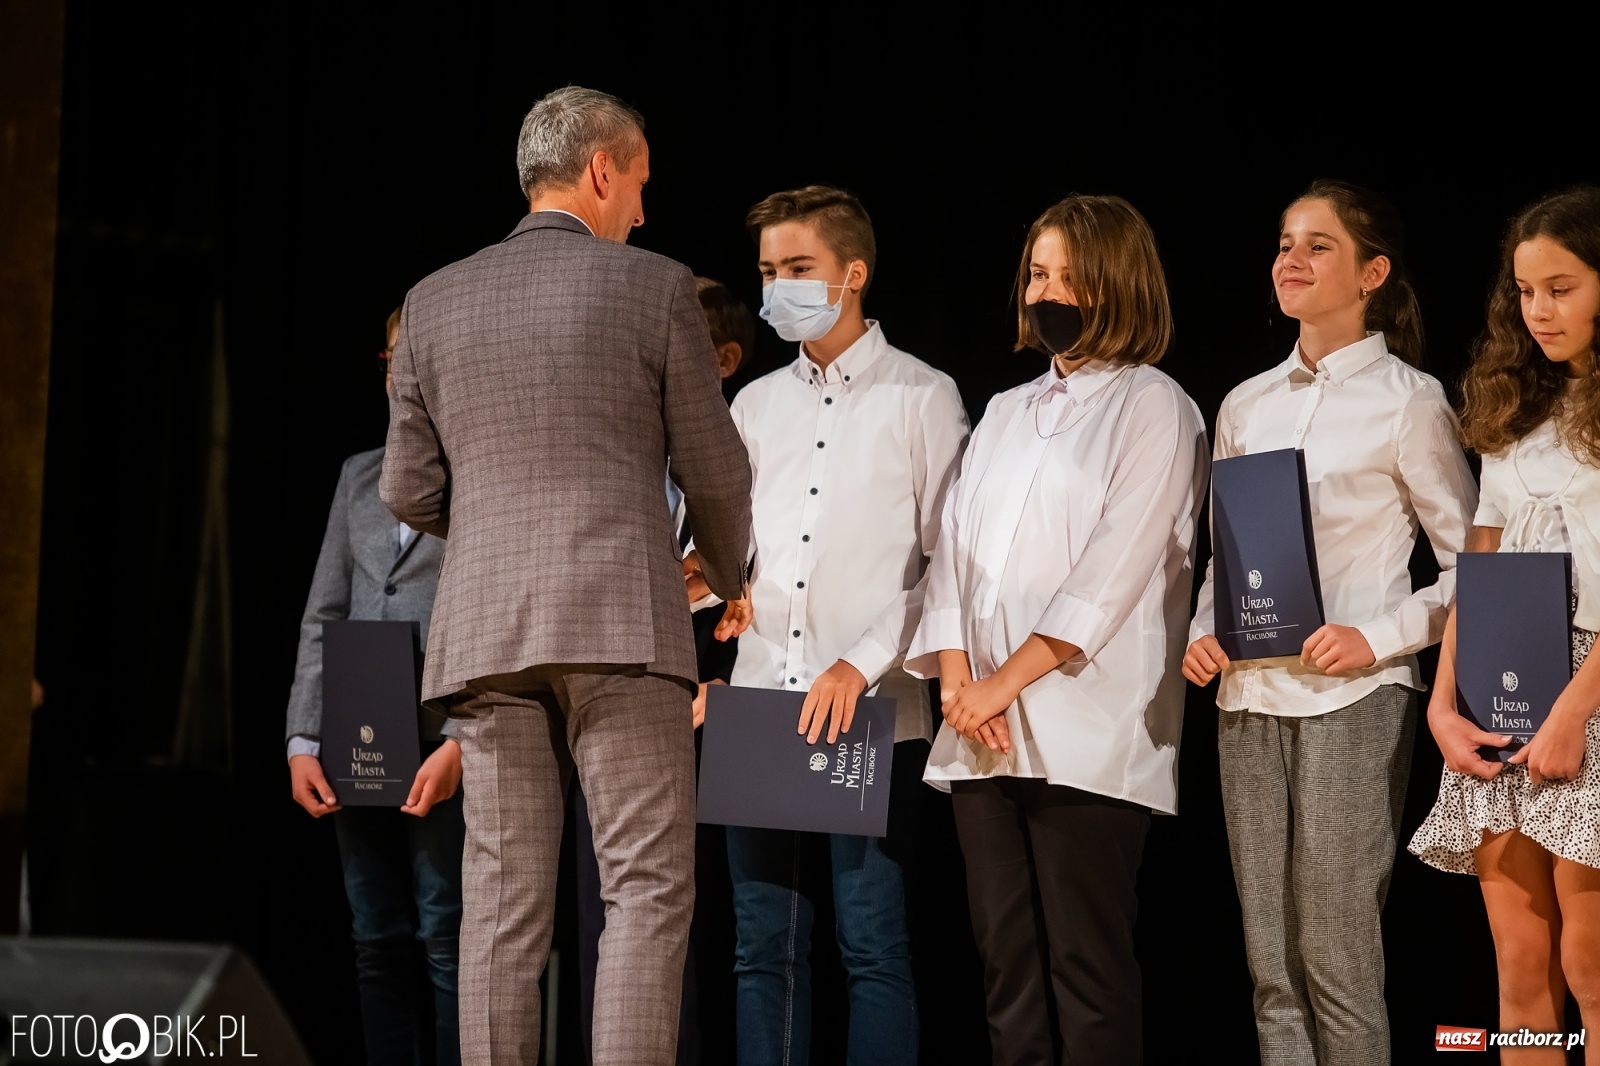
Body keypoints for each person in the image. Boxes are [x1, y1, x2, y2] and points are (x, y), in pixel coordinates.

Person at [379, 87, 752, 1066]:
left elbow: (405, 488)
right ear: (600, 170)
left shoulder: (431, 300)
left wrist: (499, 533)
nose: (641, 210)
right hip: (624, 624)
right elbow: (715, 470)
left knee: (499, 904)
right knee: (643, 888)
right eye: (637, 184)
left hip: (488, 633)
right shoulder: (658, 286)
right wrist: (719, 570)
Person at [905, 194, 1208, 1065]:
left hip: (1088, 728)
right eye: (1039, 273)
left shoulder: (1157, 406)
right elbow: (954, 552)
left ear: (1118, 285)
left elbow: (1112, 573)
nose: (1050, 290)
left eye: (1070, 275)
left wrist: (999, 685)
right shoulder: (1004, 409)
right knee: (1005, 964)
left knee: (1086, 965)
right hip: (981, 730)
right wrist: (960, 684)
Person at [1182, 179, 1478, 1065]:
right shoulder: (1245, 403)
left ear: (1372, 272)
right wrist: (1207, 626)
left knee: (1336, 959)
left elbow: (1476, 566)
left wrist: (1377, 636)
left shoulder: (1409, 398)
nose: (1291, 260)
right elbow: (1222, 556)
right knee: (1271, 967)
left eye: (1318, 246)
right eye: (1283, 243)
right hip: (1250, 695)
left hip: (1354, 699)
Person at [708, 184, 968, 1065]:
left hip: (871, 713)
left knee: (873, 950)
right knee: (760, 953)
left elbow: (947, 567)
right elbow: (725, 552)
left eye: (798, 269)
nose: (779, 286)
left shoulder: (922, 397)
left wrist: (858, 663)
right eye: (769, 272)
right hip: (759, 706)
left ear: (851, 274)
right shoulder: (752, 405)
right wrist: (714, 588)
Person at [1409, 187, 1600, 1065]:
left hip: (1588, 687)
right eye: (1526, 292)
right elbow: (1478, 568)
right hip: (1502, 681)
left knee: (1588, 963)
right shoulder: (1511, 409)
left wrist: (1572, 713)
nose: (1539, 311)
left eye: (1560, 287)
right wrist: (1443, 703)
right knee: (1522, 974)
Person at [572, 275, 755, 1066]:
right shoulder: (616, 457)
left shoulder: (750, 448)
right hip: (617, 702)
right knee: (607, 916)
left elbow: (775, 576)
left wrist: (729, 682)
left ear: (721, 360)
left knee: (707, 926)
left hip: (728, 716)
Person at [285, 307, 464, 1066]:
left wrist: (464, 739)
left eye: (416, 355)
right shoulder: (357, 474)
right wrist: (301, 737)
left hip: (439, 737)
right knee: (374, 934)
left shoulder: (478, 476)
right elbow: (324, 610)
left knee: (446, 933)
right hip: (357, 732)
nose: (402, 371)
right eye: (394, 355)